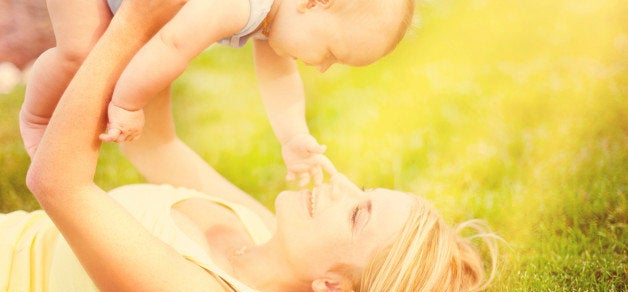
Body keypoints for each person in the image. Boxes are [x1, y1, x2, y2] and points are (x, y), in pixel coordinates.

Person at [6, 2, 499, 292]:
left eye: (358, 212)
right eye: (364, 191)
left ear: (332, 288)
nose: (342, 184)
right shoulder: (257, 226)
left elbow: (59, 184)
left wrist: (137, 19)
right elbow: (155, 145)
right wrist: (167, 36)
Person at [18, 0, 416, 187]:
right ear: (315, 4)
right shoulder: (239, 5)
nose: (324, 67)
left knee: (99, 51)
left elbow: (280, 79)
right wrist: (127, 103)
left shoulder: (276, 18)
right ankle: (36, 118)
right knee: (82, 54)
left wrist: (293, 136)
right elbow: (172, 44)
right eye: (331, 53)